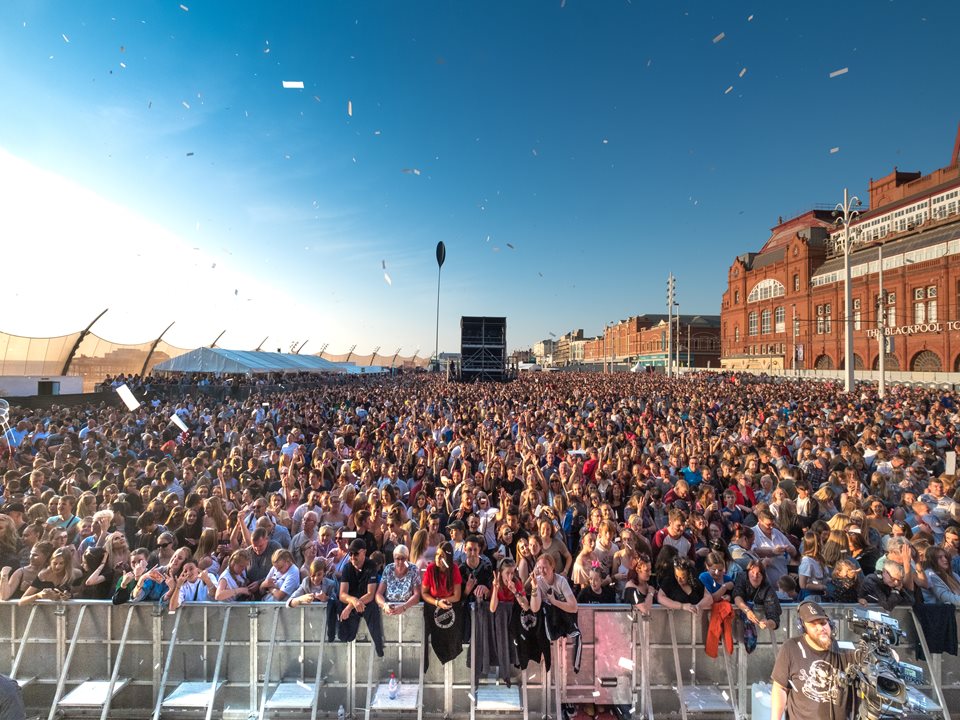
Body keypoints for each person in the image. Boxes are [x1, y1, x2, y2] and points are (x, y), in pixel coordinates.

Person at [770, 601, 853, 720]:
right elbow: (780, 687)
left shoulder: (845, 651)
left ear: (830, 624)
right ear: (803, 628)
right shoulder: (791, 647)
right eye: (813, 625)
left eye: (823, 623)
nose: (821, 628)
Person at [533, 553, 581, 673]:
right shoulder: (538, 581)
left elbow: (574, 607)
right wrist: (534, 588)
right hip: (546, 626)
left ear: (552, 567)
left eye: (545, 567)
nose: (542, 571)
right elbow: (535, 608)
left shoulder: (561, 581)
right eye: (539, 568)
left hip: (563, 620)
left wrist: (554, 602)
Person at [338, 539, 384, 657]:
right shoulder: (347, 568)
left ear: (364, 552)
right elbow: (342, 594)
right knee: (345, 635)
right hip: (354, 603)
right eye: (351, 554)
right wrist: (353, 601)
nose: (352, 557)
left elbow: (370, 594)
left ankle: (379, 649)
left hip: (365, 604)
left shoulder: (371, 566)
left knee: (372, 608)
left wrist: (350, 606)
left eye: (356, 553)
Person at [421, 541, 463, 666]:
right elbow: (424, 593)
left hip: (451, 611)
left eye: (442, 555)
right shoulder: (431, 569)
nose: (438, 558)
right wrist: (437, 602)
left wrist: (445, 601)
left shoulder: (454, 569)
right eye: (437, 555)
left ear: (448, 557)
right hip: (434, 608)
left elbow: (457, 596)